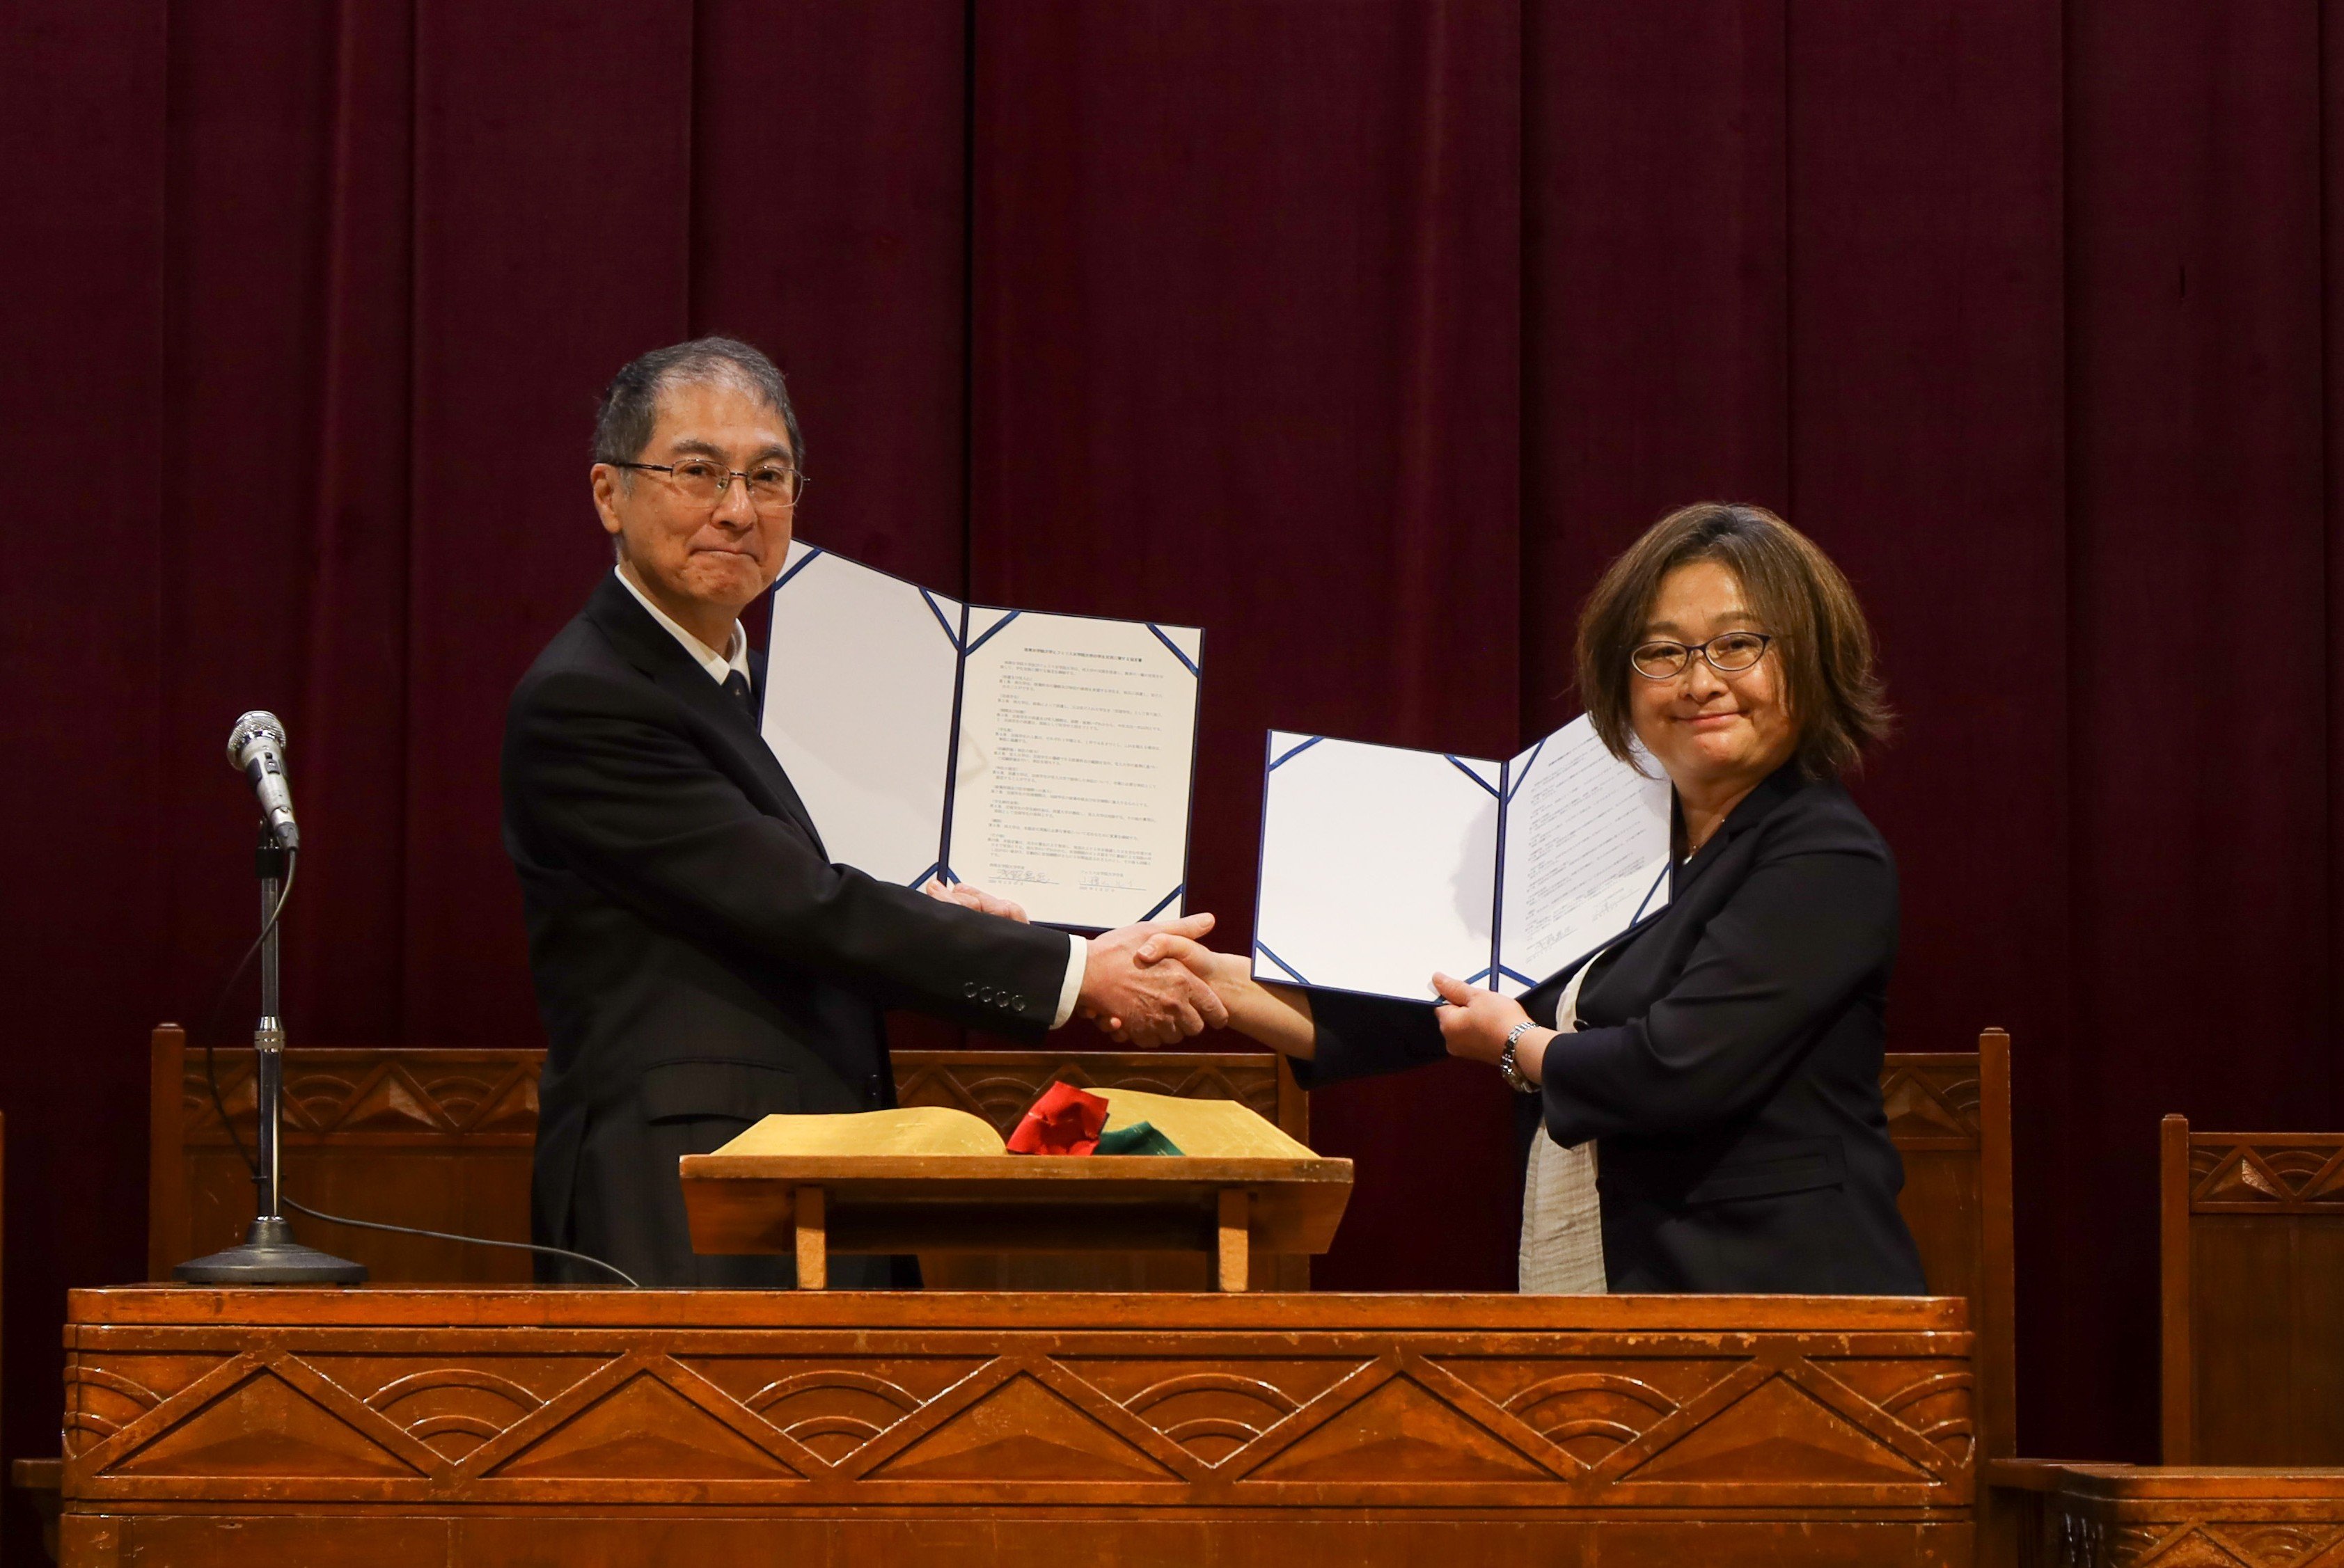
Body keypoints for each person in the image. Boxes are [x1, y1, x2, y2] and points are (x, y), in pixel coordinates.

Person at [503, 337, 1225, 1287]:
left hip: (813, 1172)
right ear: (609, 493)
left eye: (768, 478)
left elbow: (792, 901)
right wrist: (1076, 971)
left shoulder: (763, 691)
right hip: (682, 1197)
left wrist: (937, 913)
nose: (736, 509)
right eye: (697, 472)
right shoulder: (589, 696)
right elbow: (801, 905)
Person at [1138, 502, 1926, 1294]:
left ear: (1811, 655)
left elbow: (1674, 1068)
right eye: (1661, 652)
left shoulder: (1823, 853)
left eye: (1737, 644)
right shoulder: (1619, 843)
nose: (1698, 681)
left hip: (1784, 1304)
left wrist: (1518, 1045)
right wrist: (1214, 982)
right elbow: (1423, 1010)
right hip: (1639, 1292)